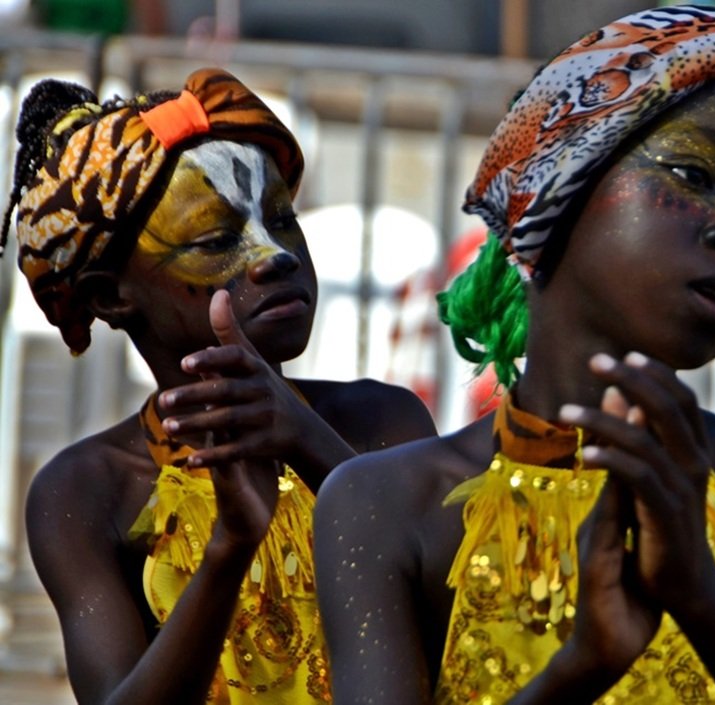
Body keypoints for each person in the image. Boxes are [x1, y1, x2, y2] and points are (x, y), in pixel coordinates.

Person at [314, 6, 715, 704]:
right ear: (557, 188)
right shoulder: (385, 502)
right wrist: (582, 663)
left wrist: (703, 593)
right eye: (694, 175)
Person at [0, 67, 436, 704]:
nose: (275, 255)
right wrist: (229, 546)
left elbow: (451, 622)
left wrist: (313, 446)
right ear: (112, 296)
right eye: (216, 239)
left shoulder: (380, 421)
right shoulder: (88, 489)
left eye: (281, 219)